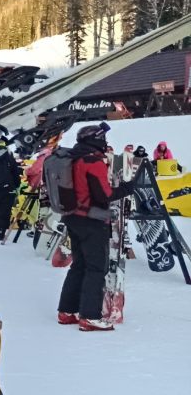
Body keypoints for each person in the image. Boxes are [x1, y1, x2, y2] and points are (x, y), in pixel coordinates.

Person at [57, 124, 133, 331]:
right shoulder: (93, 161)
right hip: (91, 220)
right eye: (103, 138)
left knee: (79, 265)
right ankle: (89, 317)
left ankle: (67, 311)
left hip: (72, 217)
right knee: (96, 268)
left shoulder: (72, 158)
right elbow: (103, 196)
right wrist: (127, 188)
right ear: (96, 140)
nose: (105, 142)